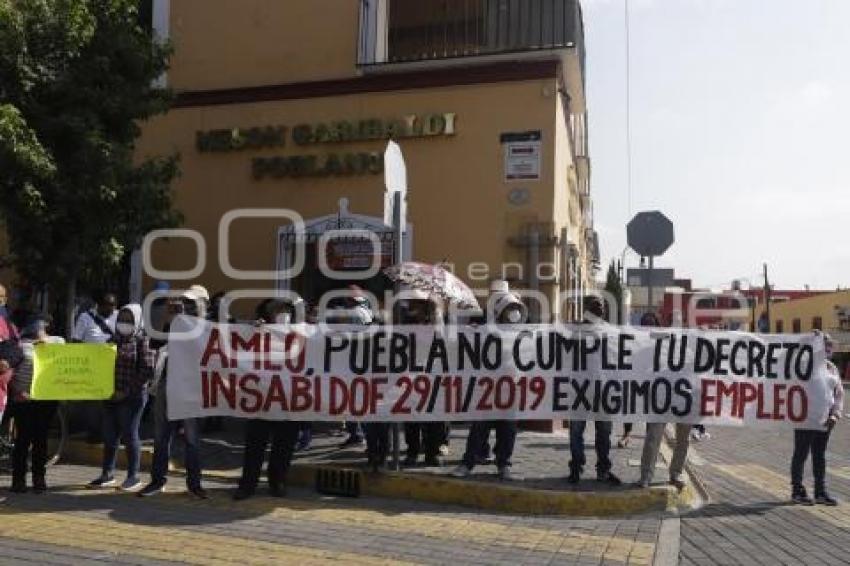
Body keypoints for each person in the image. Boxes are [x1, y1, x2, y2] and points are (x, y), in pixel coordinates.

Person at [139, 285, 209, 498]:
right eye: (185, 302)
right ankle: (157, 481)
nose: (186, 306)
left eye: (191, 303)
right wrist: (169, 320)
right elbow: (155, 342)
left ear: (203, 304)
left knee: (192, 439)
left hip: (193, 388)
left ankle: (194, 484)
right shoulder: (177, 322)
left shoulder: (211, 327)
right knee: (161, 436)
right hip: (168, 384)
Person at [453, 280, 525, 481]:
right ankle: (468, 462)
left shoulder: (521, 331)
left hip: (511, 387)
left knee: (508, 429)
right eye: (509, 308)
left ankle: (503, 464)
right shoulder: (484, 329)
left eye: (515, 308)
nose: (514, 312)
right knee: (479, 427)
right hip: (487, 387)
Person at [233, 299, 301, 500]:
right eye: (278, 311)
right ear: (269, 314)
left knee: (284, 446)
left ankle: (277, 482)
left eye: (285, 310)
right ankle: (248, 484)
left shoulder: (301, 332)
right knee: (255, 446)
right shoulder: (258, 331)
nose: (282, 314)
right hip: (260, 399)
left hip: (289, 401)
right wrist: (252, 331)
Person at [88, 304, 154, 491]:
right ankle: (107, 474)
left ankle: (133, 477)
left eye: (129, 320)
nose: (124, 323)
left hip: (132, 397)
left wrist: (125, 391)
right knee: (109, 436)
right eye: (122, 319)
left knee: (130, 434)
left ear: (138, 321)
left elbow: (147, 371)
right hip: (110, 396)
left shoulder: (143, 341)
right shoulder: (112, 340)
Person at [567, 296, 620, 486]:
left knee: (604, 432)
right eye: (597, 305)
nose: (601, 309)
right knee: (576, 431)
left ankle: (603, 470)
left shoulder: (610, 331)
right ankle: (576, 467)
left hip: (604, 389)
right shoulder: (574, 330)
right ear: (587, 308)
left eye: (603, 306)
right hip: (579, 389)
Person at [637, 312, 692, 490]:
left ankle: (675, 473)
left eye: (680, 323)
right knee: (653, 437)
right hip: (660, 397)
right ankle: (646, 475)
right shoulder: (656, 343)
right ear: (667, 324)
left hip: (684, 398)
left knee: (683, 439)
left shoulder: (690, 344)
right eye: (673, 322)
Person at [9, 314, 62, 493]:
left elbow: (65, 364)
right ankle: (18, 480)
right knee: (22, 440)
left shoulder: (58, 342)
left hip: (46, 399)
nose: (37, 328)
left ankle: (39, 478)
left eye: (40, 325)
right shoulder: (19, 346)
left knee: (41, 439)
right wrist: (17, 391)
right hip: (23, 399)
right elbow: (10, 373)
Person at [790, 331, 843, 506]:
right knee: (801, 454)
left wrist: (835, 414)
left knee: (820, 456)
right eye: (824, 344)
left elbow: (839, 394)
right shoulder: (803, 365)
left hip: (825, 420)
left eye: (829, 344)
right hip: (805, 419)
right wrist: (808, 338)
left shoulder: (831, 367)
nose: (828, 347)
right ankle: (797, 490)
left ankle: (820, 492)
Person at [399, 288, 447, 467]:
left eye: (417, 303)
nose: (413, 306)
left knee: (433, 417)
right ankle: (412, 451)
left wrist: (435, 316)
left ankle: (432, 452)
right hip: (411, 374)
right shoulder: (406, 321)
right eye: (412, 303)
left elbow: (442, 341)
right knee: (412, 417)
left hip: (432, 374)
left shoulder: (437, 320)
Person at [72, 292, 118, 443]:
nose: (111, 309)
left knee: (110, 400)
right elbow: (76, 342)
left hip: (112, 367)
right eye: (108, 305)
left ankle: (111, 432)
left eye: (113, 305)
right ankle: (94, 432)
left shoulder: (118, 316)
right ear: (99, 305)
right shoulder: (85, 318)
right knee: (93, 402)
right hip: (92, 368)